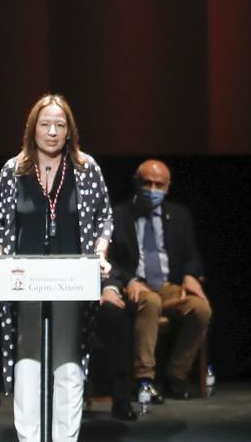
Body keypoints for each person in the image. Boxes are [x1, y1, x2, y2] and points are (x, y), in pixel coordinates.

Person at [0, 94, 113, 442]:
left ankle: (64, 438)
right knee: (28, 358)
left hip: (72, 276)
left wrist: (100, 254)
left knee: (68, 358)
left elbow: (104, 218)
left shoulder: (86, 167)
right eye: (45, 124)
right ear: (33, 129)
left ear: (69, 130)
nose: (52, 132)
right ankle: (29, 437)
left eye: (60, 125)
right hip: (25, 276)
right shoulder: (14, 169)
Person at [100, 159, 211, 413]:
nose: (152, 189)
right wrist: (128, 280)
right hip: (137, 286)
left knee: (200, 309)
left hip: (168, 285)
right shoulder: (118, 215)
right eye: (147, 183)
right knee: (151, 302)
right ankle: (145, 380)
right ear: (136, 183)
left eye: (158, 184)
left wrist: (191, 275)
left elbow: (192, 254)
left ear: (167, 187)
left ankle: (175, 375)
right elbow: (109, 259)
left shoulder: (180, 216)